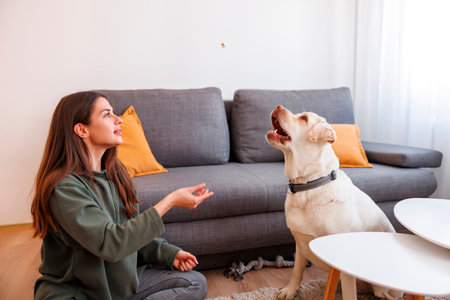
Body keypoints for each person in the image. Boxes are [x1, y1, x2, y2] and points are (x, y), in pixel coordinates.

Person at [31, 91, 213, 300]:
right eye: (107, 114)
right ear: (81, 129)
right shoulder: (64, 187)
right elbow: (112, 243)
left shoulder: (116, 175)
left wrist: (168, 254)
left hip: (118, 288)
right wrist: (170, 201)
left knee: (194, 282)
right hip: (78, 293)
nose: (118, 120)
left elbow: (130, 235)